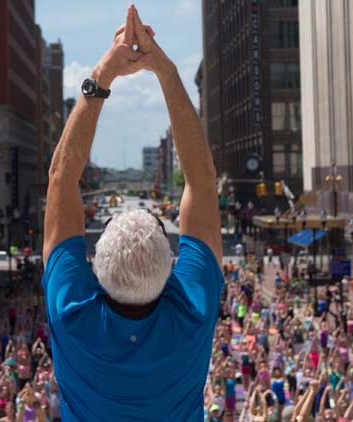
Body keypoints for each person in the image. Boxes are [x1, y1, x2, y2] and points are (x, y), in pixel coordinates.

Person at [40, 5, 222, 420]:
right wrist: (165, 71)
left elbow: (61, 178)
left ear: (98, 270)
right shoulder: (189, 313)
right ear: (168, 266)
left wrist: (103, 74)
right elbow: (202, 181)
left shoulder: (73, 315)